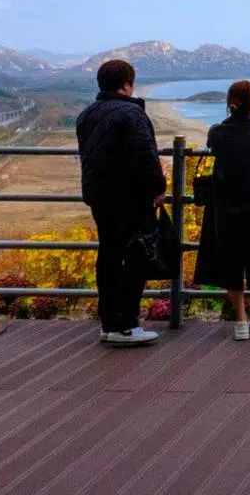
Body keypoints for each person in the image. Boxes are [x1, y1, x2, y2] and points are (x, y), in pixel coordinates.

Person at [75, 59, 165, 346]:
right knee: (135, 257)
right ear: (128, 84)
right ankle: (126, 325)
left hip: (99, 196)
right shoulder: (132, 114)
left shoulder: (86, 114)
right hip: (130, 197)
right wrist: (157, 188)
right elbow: (145, 157)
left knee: (109, 256)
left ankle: (109, 322)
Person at [194, 81, 250, 340]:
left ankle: (241, 321)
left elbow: (215, 142)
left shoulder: (217, 132)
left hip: (225, 207)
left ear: (230, 103)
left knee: (231, 261)